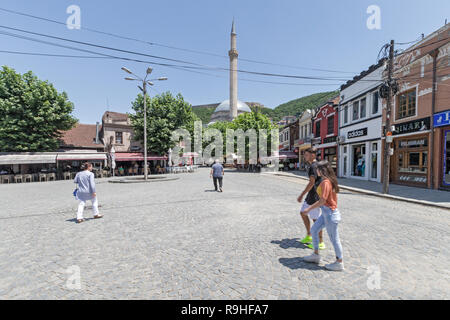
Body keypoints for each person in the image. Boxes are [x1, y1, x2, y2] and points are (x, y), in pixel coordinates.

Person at [303, 160, 344, 271]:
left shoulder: (326, 182)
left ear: (321, 170)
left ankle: (339, 262)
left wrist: (309, 208)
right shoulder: (328, 180)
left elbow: (322, 200)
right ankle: (315, 255)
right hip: (327, 213)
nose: (316, 171)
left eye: (317, 169)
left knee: (334, 239)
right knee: (314, 230)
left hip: (330, 214)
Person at [297, 147, 325, 250]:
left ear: (313, 155)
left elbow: (312, 182)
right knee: (303, 212)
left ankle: (320, 242)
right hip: (312, 194)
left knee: (315, 219)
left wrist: (302, 194)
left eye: (306, 155)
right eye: (304, 155)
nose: (304, 156)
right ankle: (309, 235)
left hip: (314, 195)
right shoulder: (316, 165)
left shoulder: (313, 166)